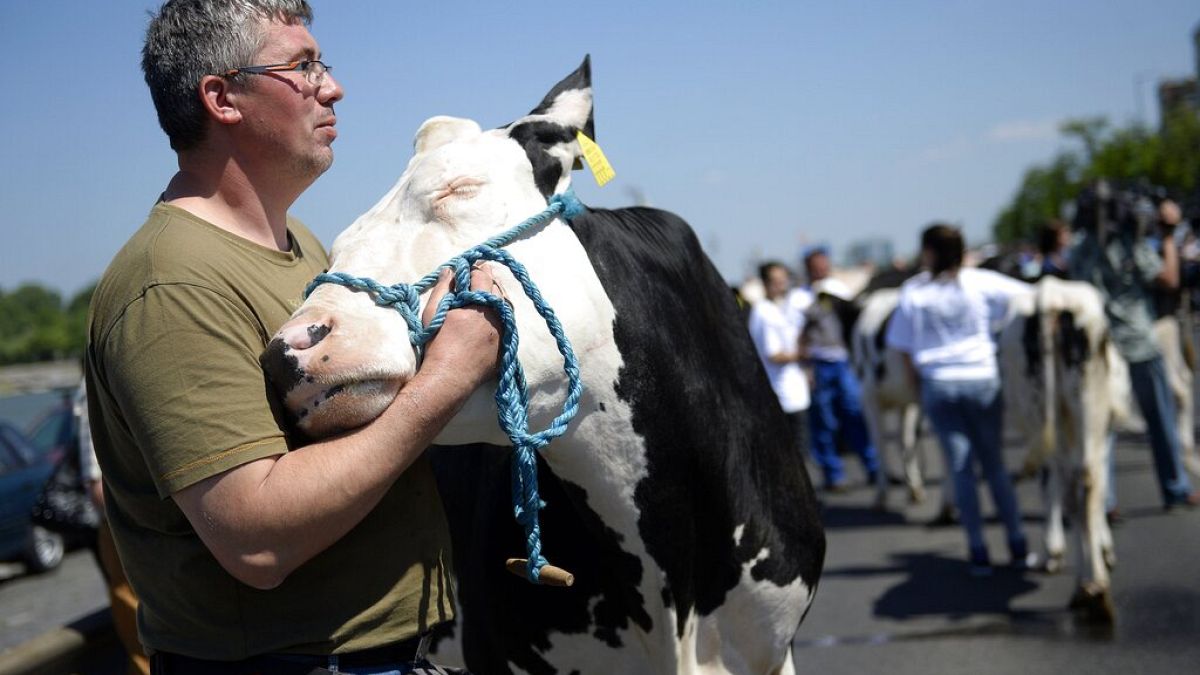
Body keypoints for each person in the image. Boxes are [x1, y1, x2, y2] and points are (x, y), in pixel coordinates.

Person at [85, 1, 499, 672]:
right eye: (302, 67)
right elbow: (256, 542)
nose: (331, 87)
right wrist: (449, 375)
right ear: (222, 98)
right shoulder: (170, 284)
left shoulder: (304, 246)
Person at [886, 224, 1036, 576]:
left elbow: (902, 347)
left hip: (938, 383)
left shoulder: (914, 291)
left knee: (960, 468)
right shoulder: (979, 282)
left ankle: (978, 550)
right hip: (981, 378)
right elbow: (1027, 297)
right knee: (995, 464)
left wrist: (916, 386)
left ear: (930, 252)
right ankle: (1017, 543)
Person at [1069, 188, 1200, 512]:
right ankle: (1176, 488)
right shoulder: (1132, 244)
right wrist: (1168, 236)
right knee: (1160, 419)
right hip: (1140, 342)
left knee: (1105, 427)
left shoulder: (1081, 250)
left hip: (1103, 350)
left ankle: (1106, 501)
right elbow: (1169, 279)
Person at [76, 380, 150, 675]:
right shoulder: (99, 381)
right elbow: (96, 484)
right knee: (143, 639)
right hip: (128, 530)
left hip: (138, 526)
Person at [795, 248, 881, 492]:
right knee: (825, 422)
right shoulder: (801, 297)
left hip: (843, 362)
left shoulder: (838, 289)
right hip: (819, 364)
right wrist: (805, 368)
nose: (821, 268)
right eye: (816, 265)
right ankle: (834, 475)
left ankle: (875, 467)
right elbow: (796, 335)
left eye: (824, 264)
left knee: (855, 414)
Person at [747, 262, 811, 465]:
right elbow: (773, 354)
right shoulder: (764, 312)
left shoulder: (782, 307)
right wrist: (804, 353)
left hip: (795, 390)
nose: (782, 285)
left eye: (784, 280)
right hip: (782, 395)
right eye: (777, 281)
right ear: (766, 284)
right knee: (793, 455)